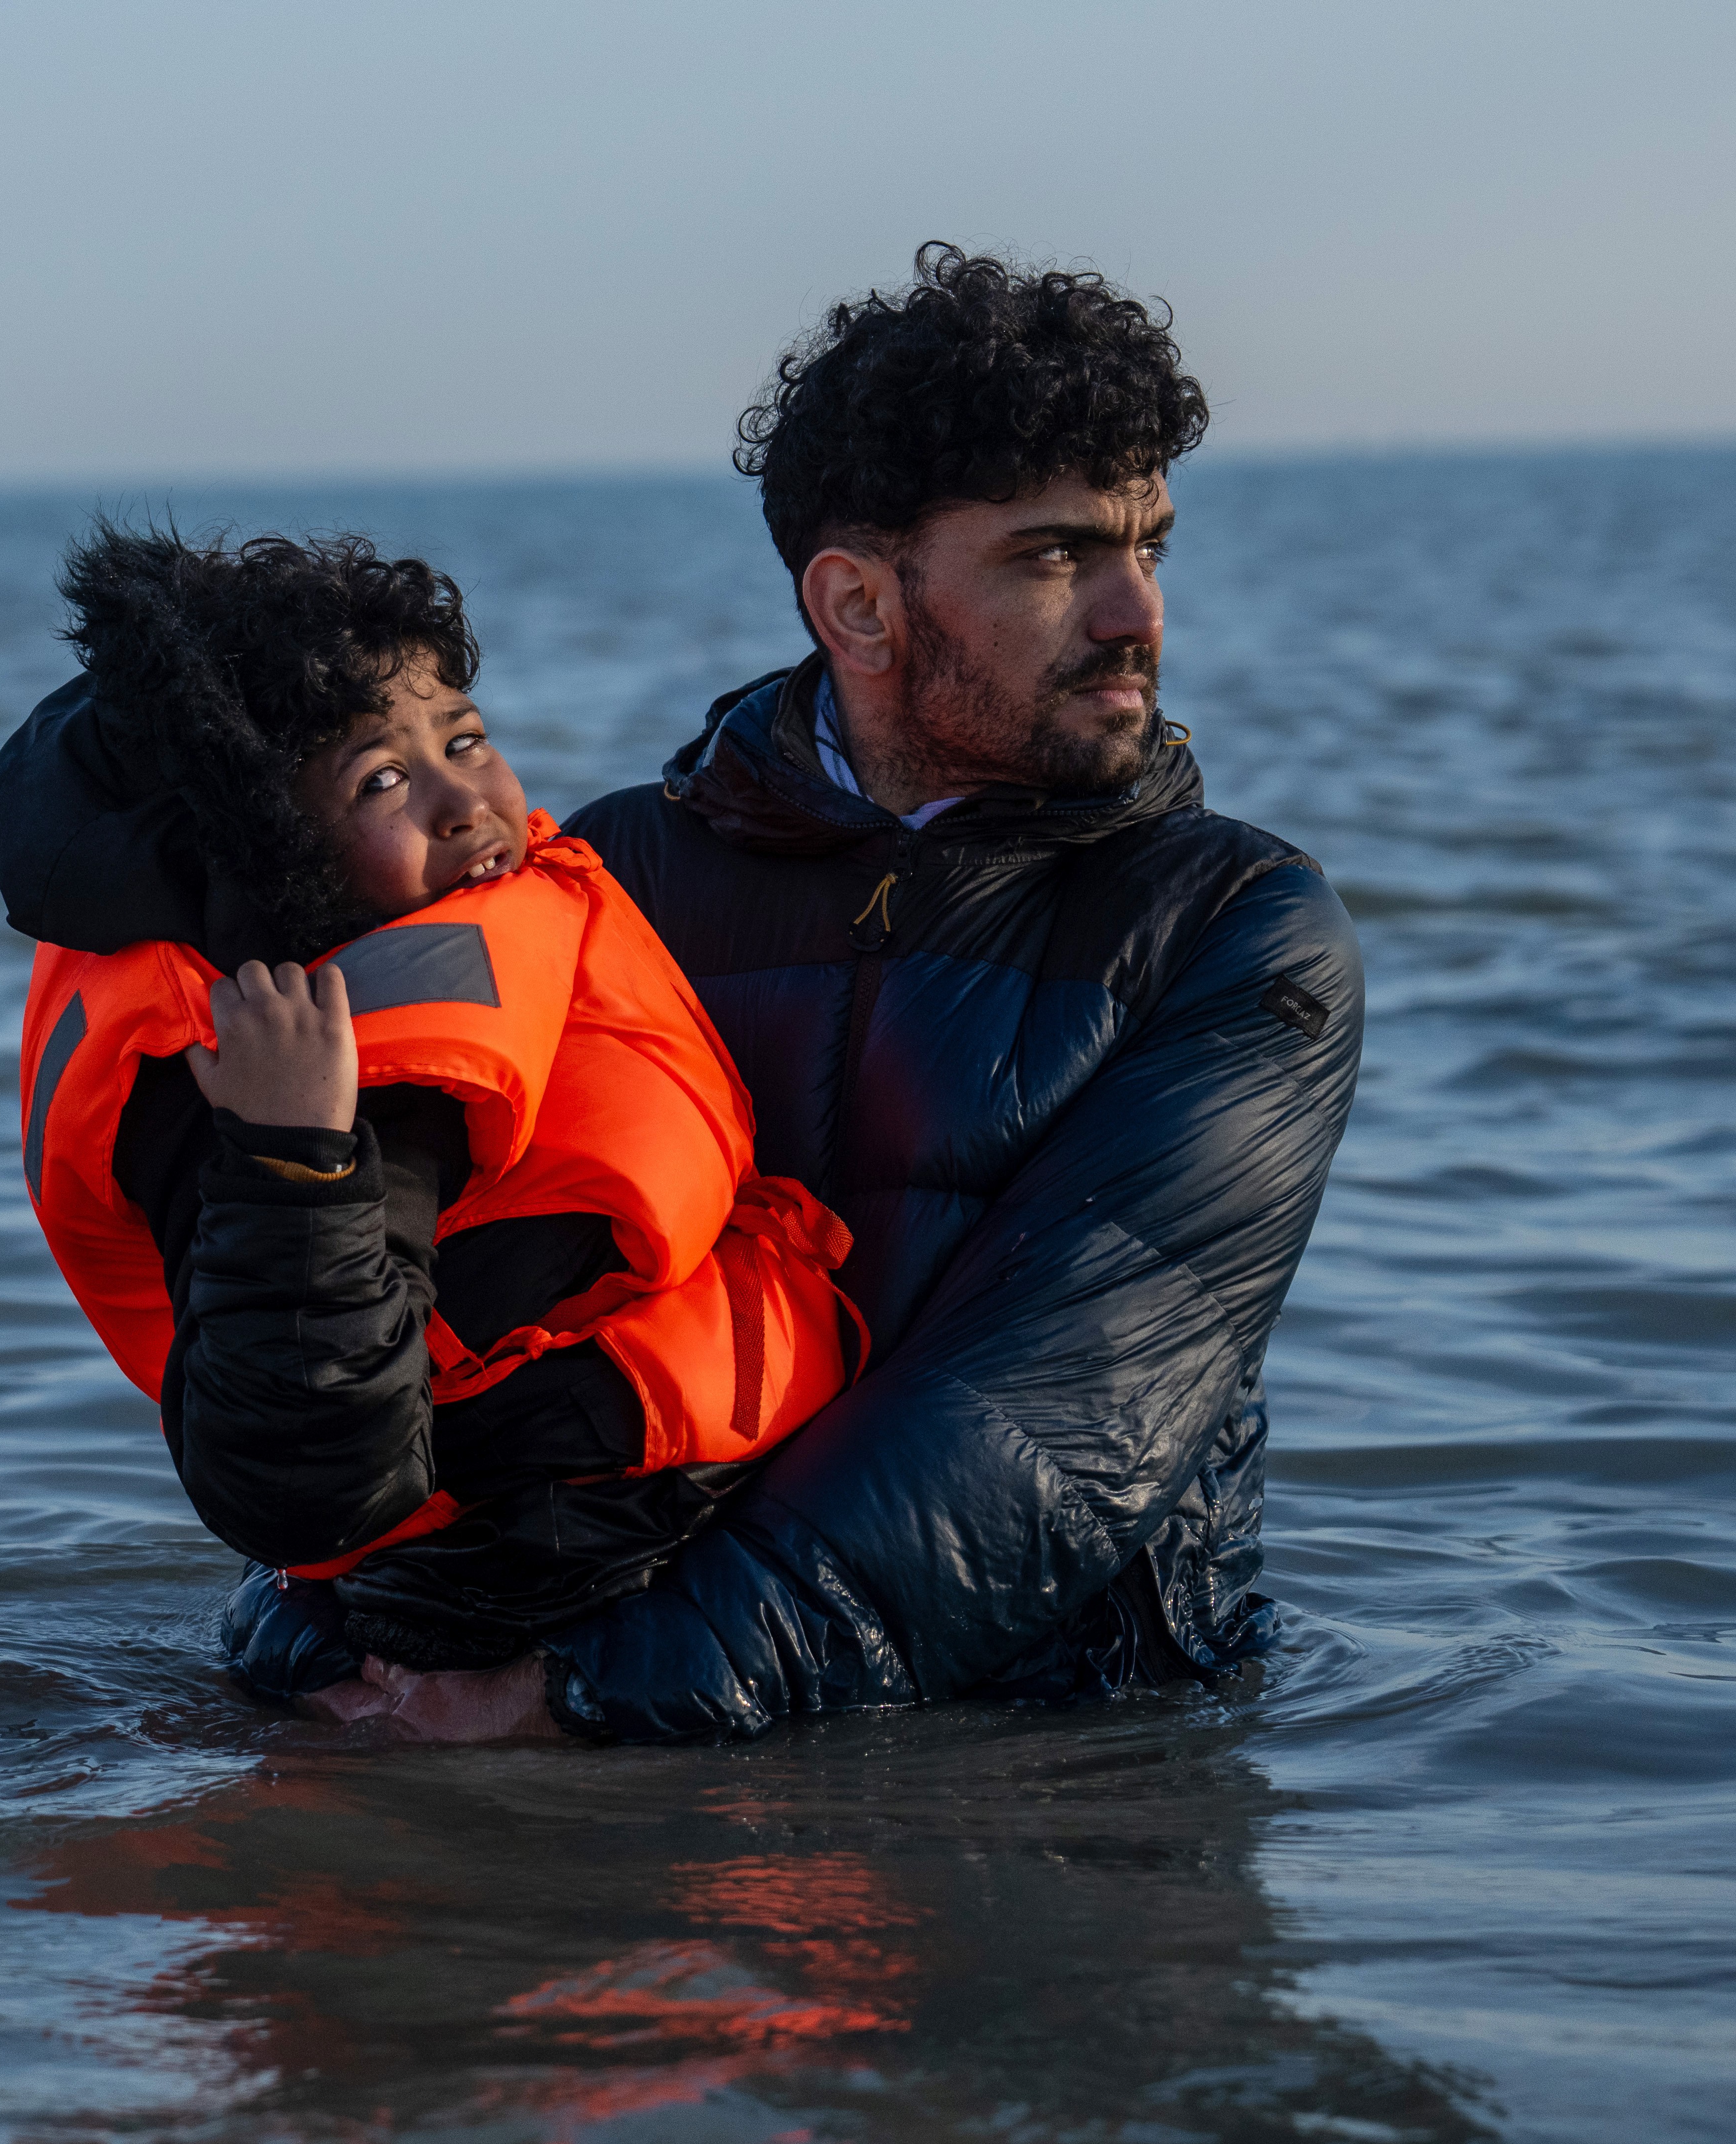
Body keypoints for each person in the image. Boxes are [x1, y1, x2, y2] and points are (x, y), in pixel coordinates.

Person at [222, 243, 1368, 1742]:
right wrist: (313, 1636)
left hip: (1054, 1766)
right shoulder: (607, 873)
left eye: (1147, 546)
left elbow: (1045, 1424)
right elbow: (402, 1294)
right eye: (1053, 557)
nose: (1133, 612)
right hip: (594, 1721)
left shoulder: (1231, 927)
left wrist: (573, 1700)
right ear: (859, 603)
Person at [0, 525, 862, 1700]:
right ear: (268, 850)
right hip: (531, 1564)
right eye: (381, 781)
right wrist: (294, 1155)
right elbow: (298, 1473)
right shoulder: (323, 1065)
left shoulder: (440, 936)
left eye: (464, 738)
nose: (466, 801)